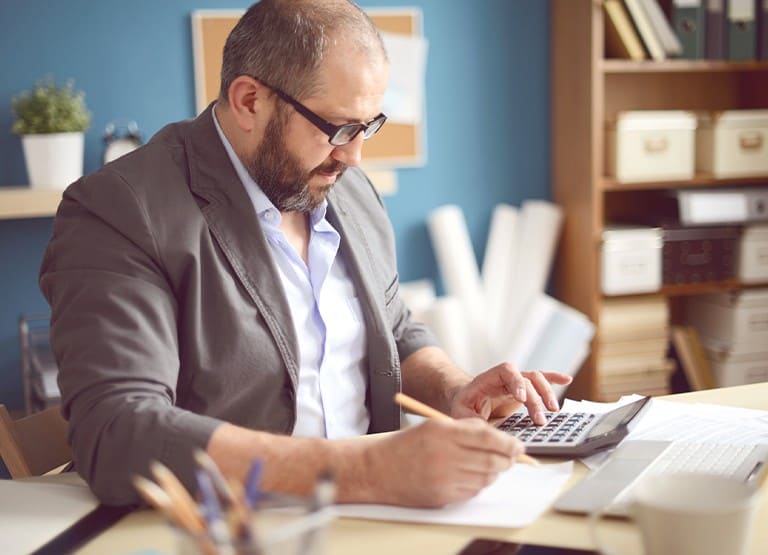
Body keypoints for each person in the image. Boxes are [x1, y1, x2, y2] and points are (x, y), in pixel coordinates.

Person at [40, 0, 572, 508]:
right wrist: (368, 472)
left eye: (367, 127)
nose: (355, 156)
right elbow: (119, 432)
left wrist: (456, 392)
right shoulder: (119, 209)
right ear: (250, 100)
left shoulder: (346, 189)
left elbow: (393, 327)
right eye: (338, 128)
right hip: (227, 528)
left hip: (371, 521)